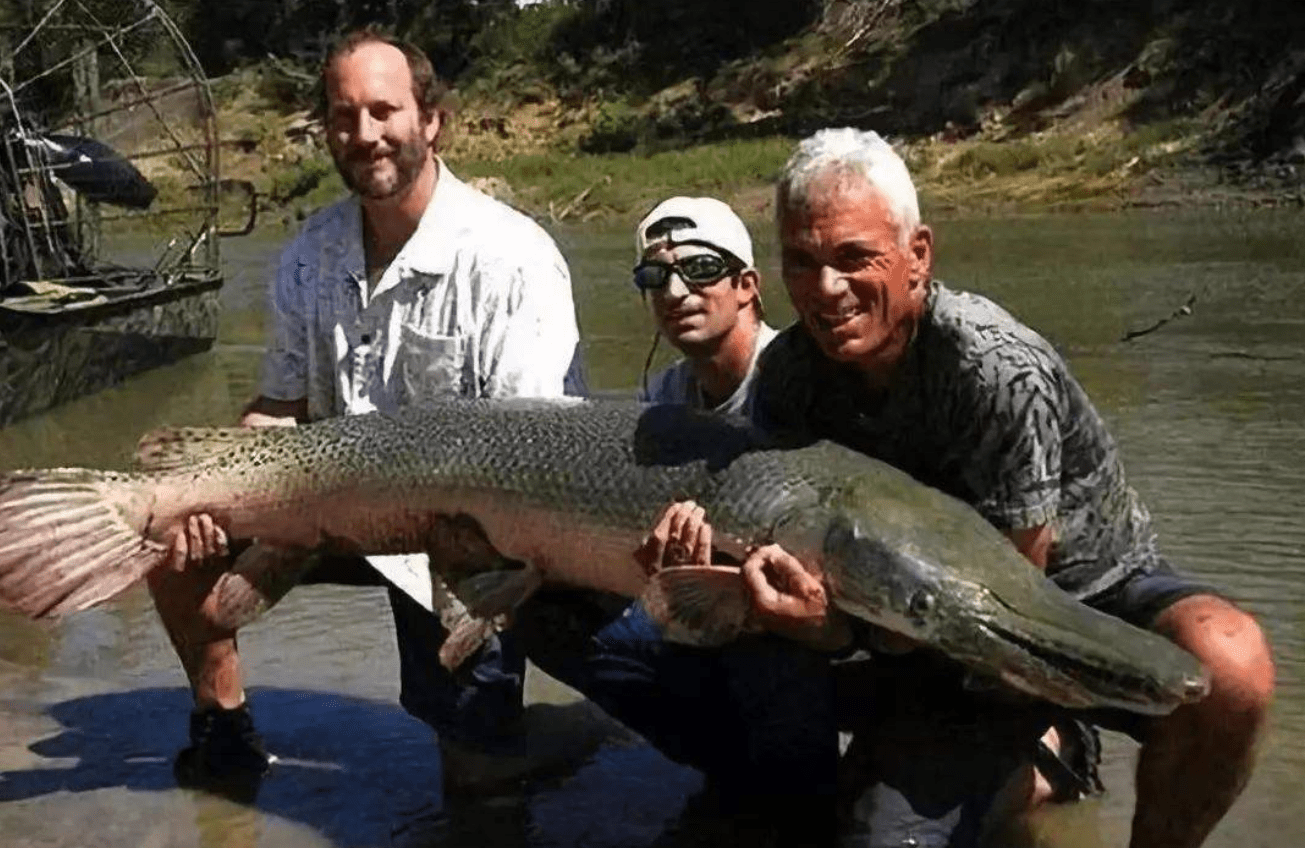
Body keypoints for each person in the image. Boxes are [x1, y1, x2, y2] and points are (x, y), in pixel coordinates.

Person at [725, 127, 1275, 848]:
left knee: (1229, 662)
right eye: (801, 262)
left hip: (1058, 598)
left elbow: (1015, 602)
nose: (825, 290)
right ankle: (1043, 757)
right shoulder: (788, 377)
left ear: (917, 254)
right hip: (913, 612)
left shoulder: (993, 367)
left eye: (853, 258)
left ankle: (1089, 778)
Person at [146, 27, 585, 790]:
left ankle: (579, 728)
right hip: (332, 509)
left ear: (431, 120)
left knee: (476, 781)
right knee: (165, 526)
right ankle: (224, 727)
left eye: (385, 111)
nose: (365, 135)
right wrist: (208, 485)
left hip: (464, 535)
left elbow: (533, 458)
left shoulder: (510, 259)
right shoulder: (309, 254)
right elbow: (281, 407)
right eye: (344, 116)